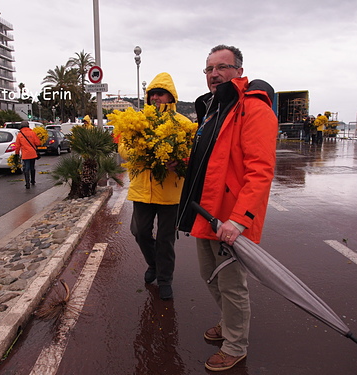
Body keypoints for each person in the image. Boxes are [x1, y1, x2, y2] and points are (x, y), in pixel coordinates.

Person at [176, 45, 278, 371]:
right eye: (209, 69)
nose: (214, 74)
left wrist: (239, 220)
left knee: (232, 285)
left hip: (229, 219)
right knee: (210, 276)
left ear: (238, 70)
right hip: (206, 211)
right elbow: (210, 160)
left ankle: (236, 344)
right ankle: (228, 322)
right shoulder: (213, 109)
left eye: (222, 67)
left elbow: (260, 171)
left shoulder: (253, 108)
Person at [118, 72, 192, 300]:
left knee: (165, 239)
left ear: (171, 96)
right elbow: (123, 148)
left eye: (161, 93)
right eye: (152, 94)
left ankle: (165, 279)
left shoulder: (183, 124)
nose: (156, 98)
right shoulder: (138, 121)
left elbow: (192, 155)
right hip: (142, 190)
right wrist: (139, 151)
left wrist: (180, 160)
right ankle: (154, 264)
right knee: (139, 232)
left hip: (170, 193)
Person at [15, 120, 41, 189]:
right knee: (32, 167)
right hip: (33, 153)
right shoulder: (32, 133)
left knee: (26, 168)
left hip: (25, 154)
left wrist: (17, 154)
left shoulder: (19, 135)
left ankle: (27, 183)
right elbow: (38, 143)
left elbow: (17, 146)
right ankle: (33, 180)